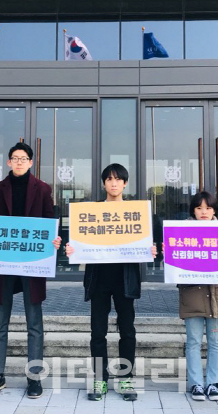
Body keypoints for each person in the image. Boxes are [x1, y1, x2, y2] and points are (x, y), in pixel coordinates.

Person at [65, 163, 156, 402]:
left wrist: (153, 250)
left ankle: (125, 378)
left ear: (125, 184)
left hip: (125, 281)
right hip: (98, 281)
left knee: (127, 332)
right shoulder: (91, 212)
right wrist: (72, 248)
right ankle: (99, 379)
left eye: (118, 179)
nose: (114, 183)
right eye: (109, 179)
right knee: (98, 333)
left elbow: (150, 244)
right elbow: (78, 242)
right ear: (104, 183)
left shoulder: (137, 212)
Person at [0, 142, 60, 400]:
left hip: (31, 264)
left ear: (31, 162)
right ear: (9, 163)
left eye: (24, 158)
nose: (19, 162)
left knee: (34, 322)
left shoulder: (43, 189)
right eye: (15, 158)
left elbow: (50, 222)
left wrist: (55, 241)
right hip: (2, 265)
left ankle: (34, 376)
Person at [179, 191, 218, 402]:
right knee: (193, 341)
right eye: (199, 208)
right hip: (193, 294)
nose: (204, 212)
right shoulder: (182, 232)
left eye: (208, 208)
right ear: (193, 210)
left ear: (215, 211)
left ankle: (213, 383)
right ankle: (195, 384)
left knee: (216, 341)